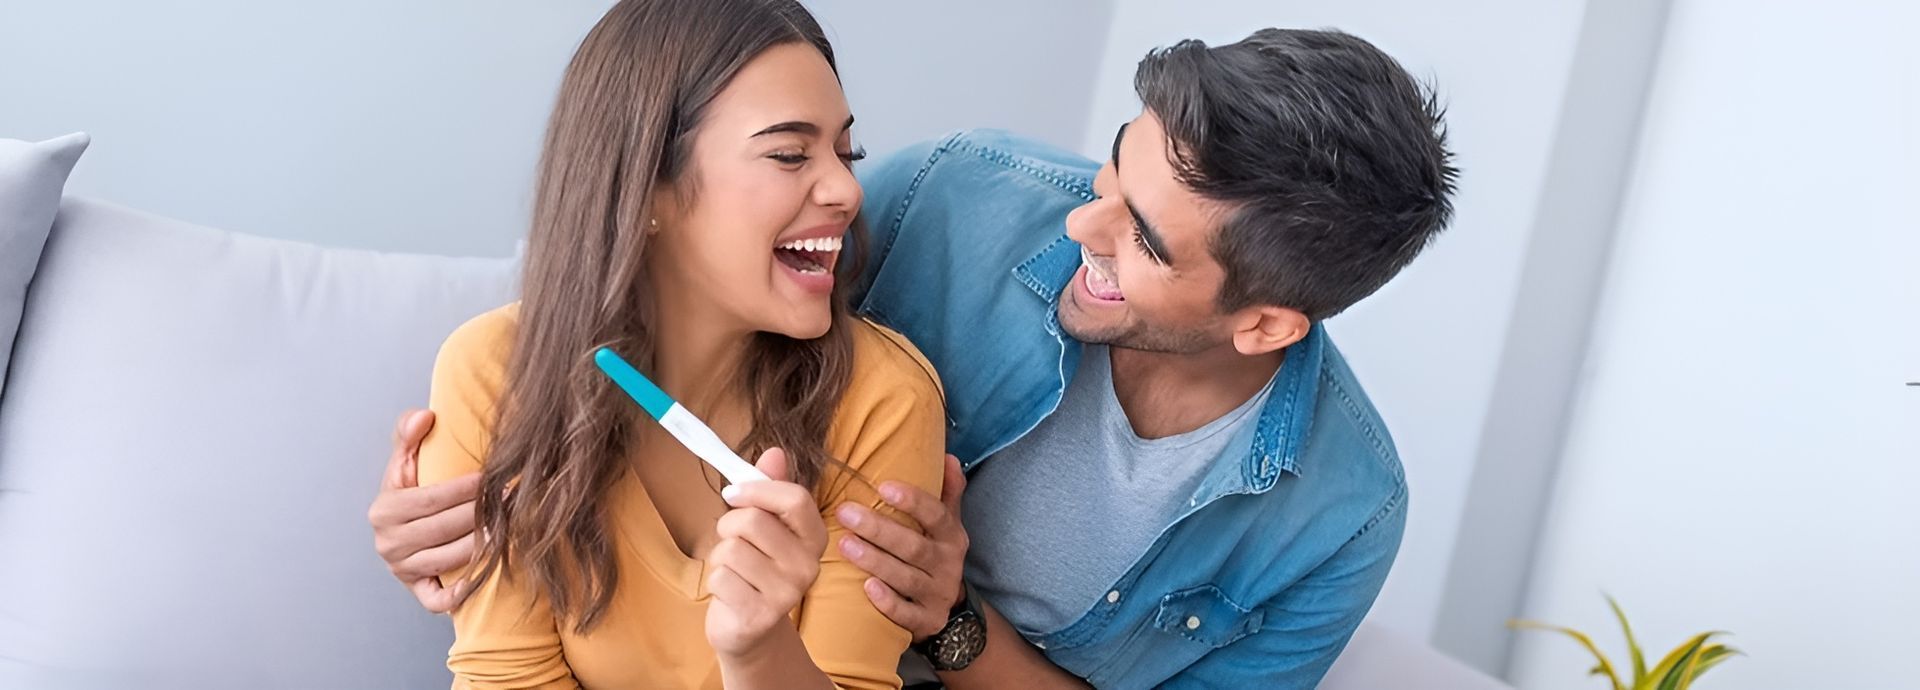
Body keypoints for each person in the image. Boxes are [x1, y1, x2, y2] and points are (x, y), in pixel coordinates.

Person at [372, 26, 1457, 689]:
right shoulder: (948, 192)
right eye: (1112, 175)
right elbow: (696, 290)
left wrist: (952, 629)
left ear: (1263, 326)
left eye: (1144, 240)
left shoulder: (1342, 514)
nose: (1086, 226)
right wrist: (493, 501)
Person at [395, 0, 948, 687]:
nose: (845, 189)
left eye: (845, 152)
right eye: (788, 154)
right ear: (647, 184)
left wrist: (758, 650)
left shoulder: (885, 399)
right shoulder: (492, 373)